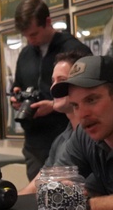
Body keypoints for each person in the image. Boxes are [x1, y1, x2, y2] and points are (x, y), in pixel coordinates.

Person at [10, 0, 91, 181]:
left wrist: (53, 105)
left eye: (34, 34)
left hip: (68, 135)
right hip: (35, 143)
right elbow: (18, 85)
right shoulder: (25, 54)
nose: (30, 41)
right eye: (26, 36)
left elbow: (88, 93)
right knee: (36, 198)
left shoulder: (74, 50)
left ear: (48, 22)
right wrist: (16, 98)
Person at [48, 55, 113, 210]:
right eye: (75, 105)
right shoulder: (84, 134)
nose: (83, 114)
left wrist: (84, 206)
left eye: (92, 100)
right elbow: (50, 188)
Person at [18, 49, 92, 195]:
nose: (53, 88)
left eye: (62, 81)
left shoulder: (95, 134)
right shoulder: (62, 139)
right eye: (53, 81)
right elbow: (42, 182)